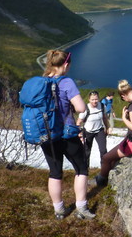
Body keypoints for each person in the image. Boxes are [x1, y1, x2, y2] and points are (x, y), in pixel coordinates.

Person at [40, 50, 95, 220]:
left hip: (47, 134)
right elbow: (81, 108)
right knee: (81, 168)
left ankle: (59, 210)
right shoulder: (67, 82)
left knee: (55, 172)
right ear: (65, 64)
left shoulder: (41, 81)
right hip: (66, 133)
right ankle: (81, 207)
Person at [93, 79, 132, 187]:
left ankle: (100, 182)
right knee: (113, 159)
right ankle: (108, 176)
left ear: (123, 95)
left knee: (106, 158)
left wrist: (124, 118)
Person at [76, 90, 110, 168]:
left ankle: (104, 169)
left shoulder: (101, 106)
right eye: (92, 99)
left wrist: (107, 127)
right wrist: (79, 133)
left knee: (103, 150)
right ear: (89, 99)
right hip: (88, 131)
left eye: (96, 99)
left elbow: (104, 118)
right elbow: (78, 122)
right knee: (87, 152)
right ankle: (85, 169)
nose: (94, 101)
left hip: (99, 130)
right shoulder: (86, 108)